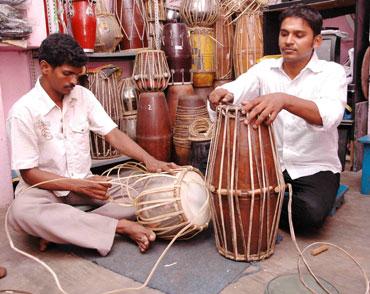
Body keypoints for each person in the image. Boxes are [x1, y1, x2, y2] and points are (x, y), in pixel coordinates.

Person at [6, 33, 178, 255]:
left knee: (147, 191)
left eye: (77, 75)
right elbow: (29, 174)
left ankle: (66, 228)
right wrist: (77, 185)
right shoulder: (23, 112)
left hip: (86, 187)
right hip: (45, 192)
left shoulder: (82, 96)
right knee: (21, 213)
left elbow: (113, 134)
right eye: (67, 74)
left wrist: (150, 161)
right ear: (45, 67)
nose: (73, 81)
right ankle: (117, 226)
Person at [208, 4, 347, 232]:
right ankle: (260, 203)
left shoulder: (332, 73)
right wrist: (222, 95)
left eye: (299, 35)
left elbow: (329, 116)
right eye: (284, 34)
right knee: (216, 183)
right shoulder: (264, 69)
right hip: (269, 165)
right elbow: (236, 90)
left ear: (316, 41)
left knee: (309, 215)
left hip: (313, 168)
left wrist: (285, 99)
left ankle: (257, 205)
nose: (288, 41)